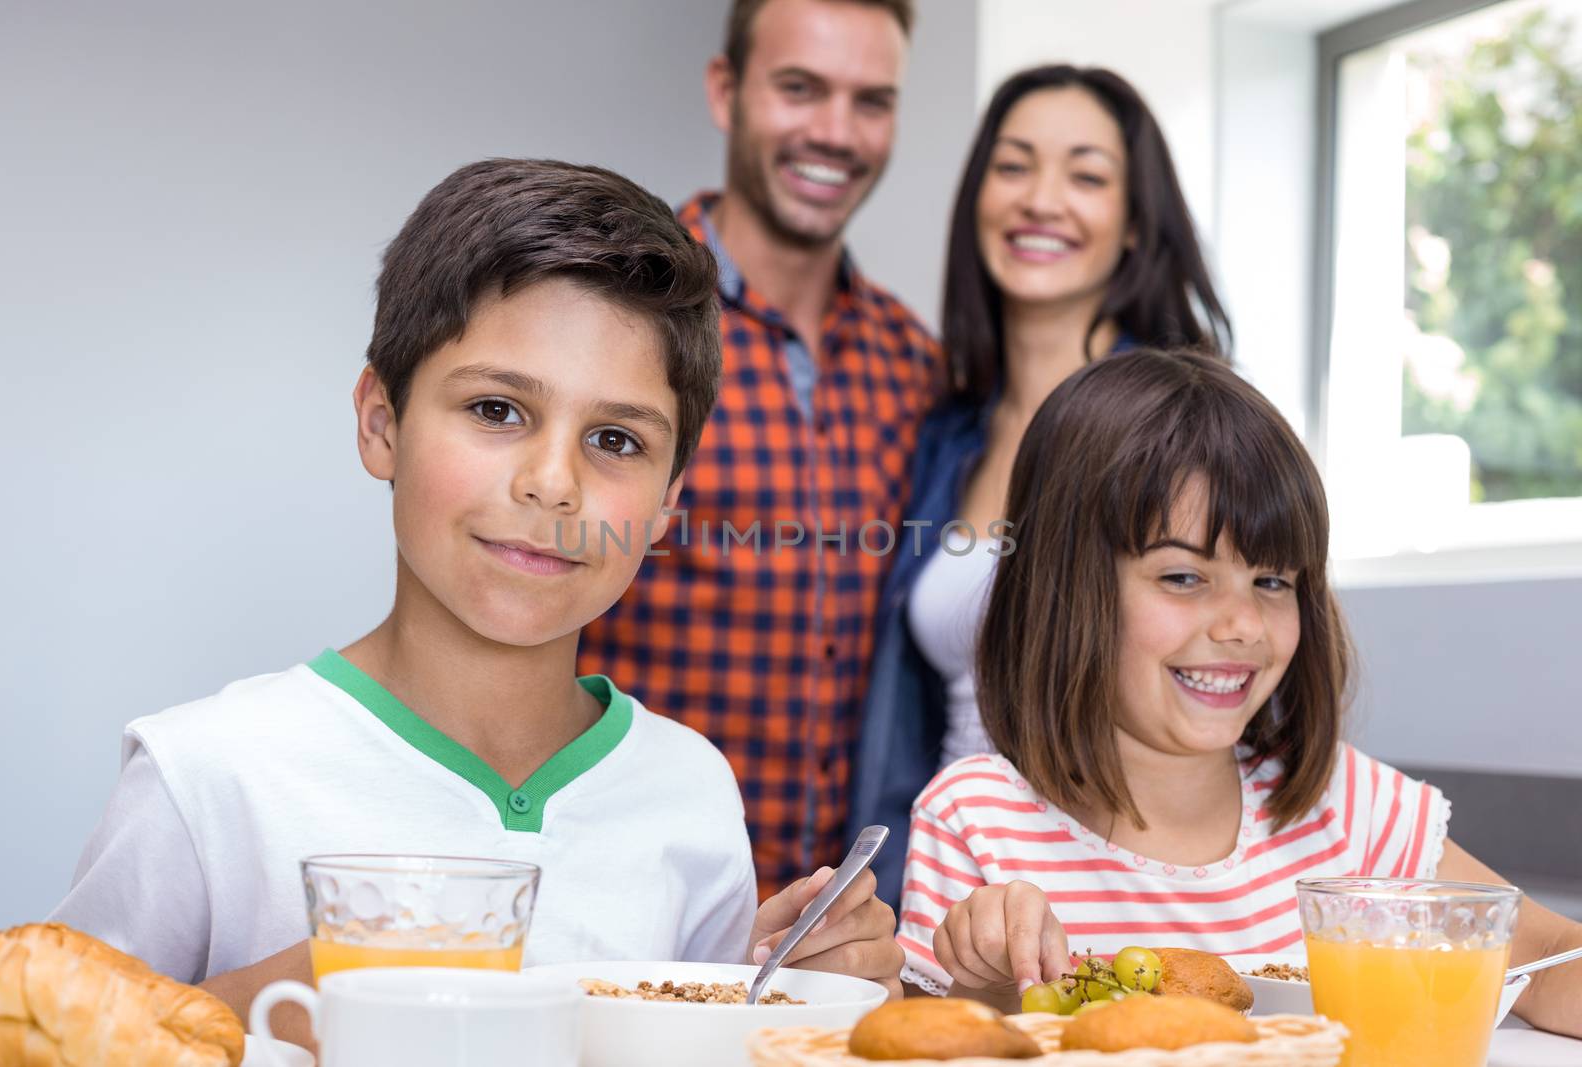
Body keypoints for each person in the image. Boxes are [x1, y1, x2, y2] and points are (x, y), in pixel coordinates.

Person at [50, 159, 903, 1040]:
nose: (552, 483)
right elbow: (40, 1044)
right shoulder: (207, 777)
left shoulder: (689, 792)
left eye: (615, 438)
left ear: (668, 503)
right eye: (497, 410)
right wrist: (268, 1002)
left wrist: (771, 1000)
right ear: (381, 422)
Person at [893, 349, 1582, 1036]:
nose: (1243, 624)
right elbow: (936, 1036)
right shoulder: (976, 822)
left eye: (1274, 580)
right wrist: (985, 980)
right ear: (1064, 587)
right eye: (1183, 578)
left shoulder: (1352, 813)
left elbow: (1550, 956)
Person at [578, 0, 944, 900]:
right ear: (725, 90)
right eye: (799, 88)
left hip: (838, 928)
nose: (835, 131)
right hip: (632, 893)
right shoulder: (615, 312)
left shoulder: (917, 362)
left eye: (871, 101)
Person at [850, 64, 1231, 904]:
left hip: (1116, 893)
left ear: (1135, 222)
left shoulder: (1184, 428)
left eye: (1087, 175)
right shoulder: (949, 434)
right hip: (946, 891)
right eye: (1014, 165)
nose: (1041, 199)